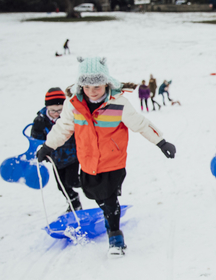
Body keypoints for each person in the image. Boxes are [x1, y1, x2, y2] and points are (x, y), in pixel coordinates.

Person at [36, 57, 176, 256]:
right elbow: (63, 128)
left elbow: (140, 123)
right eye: (87, 86)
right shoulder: (73, 105)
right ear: (80, 85)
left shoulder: (118, 103)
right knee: (91, 193)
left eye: (97, 86)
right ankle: (109, 211)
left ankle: (115, 236)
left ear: (106, 82)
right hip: (87, 161)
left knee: (109, 200)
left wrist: (161, 142)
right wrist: (48, 146)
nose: (92, 91)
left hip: (113, 162)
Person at [31, 88, 81, 211]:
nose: (56, 113)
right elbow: (37, 139)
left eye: (60, 110)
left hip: (72, 156)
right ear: (47, 107)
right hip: (55, 159)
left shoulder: (69, 117)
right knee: (62, 186)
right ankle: (74, 202)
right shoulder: (41, 120)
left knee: (72, 181)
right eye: (53, 110)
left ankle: (91, 183)